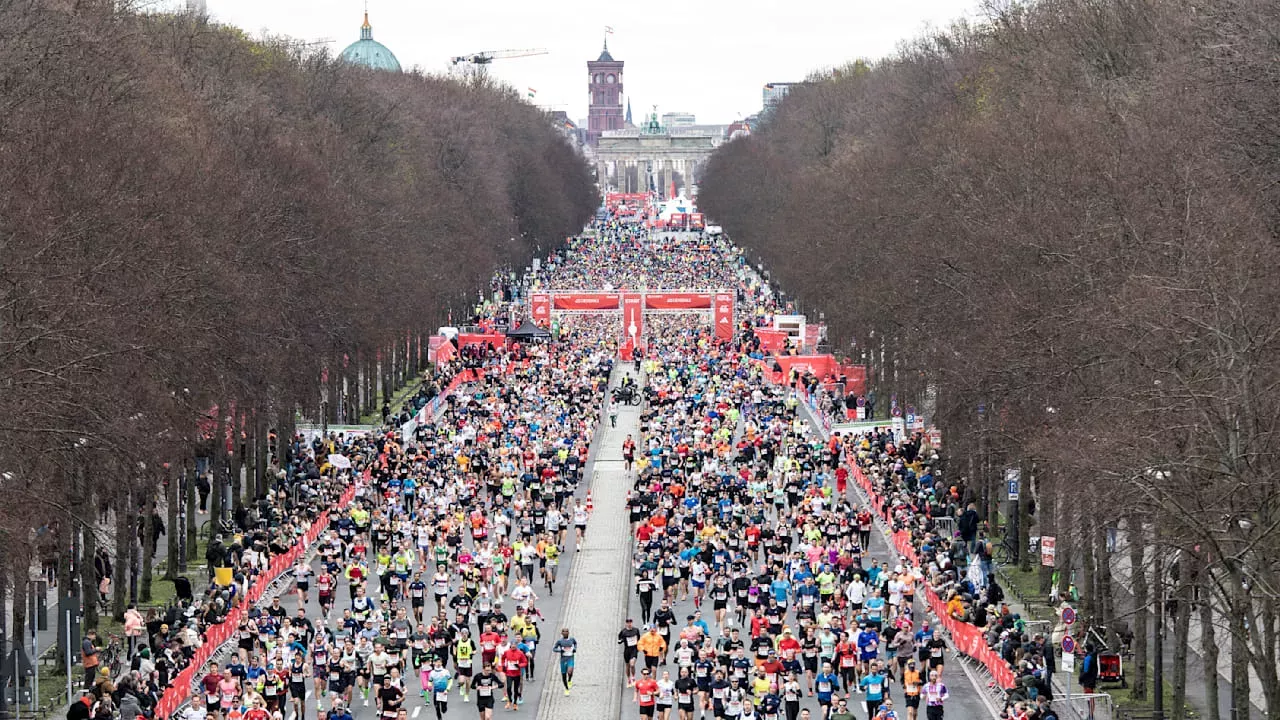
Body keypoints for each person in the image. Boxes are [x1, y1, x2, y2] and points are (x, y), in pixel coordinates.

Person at [551, 628, 578, 695]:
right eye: (564, 631)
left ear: (568, 632)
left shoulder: (572, 639)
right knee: (563, 675)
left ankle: (569, 680)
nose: (565, 633)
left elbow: (575, 643)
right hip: (563, 659)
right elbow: (554, 649)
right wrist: (560, 651)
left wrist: (574, 648)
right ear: (561, 633)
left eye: (566, 631)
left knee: (570, 671)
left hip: (570, 658)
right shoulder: (560, 641)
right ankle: (566, 689)